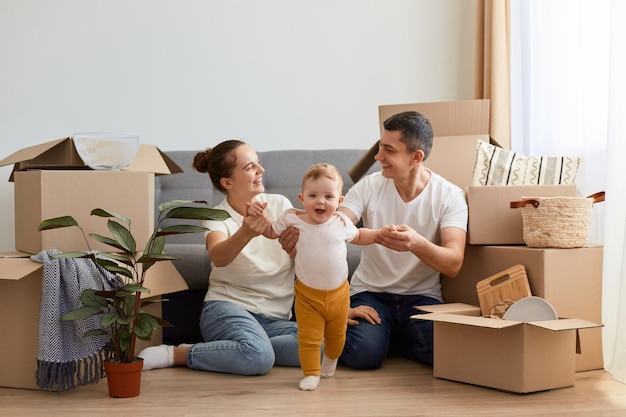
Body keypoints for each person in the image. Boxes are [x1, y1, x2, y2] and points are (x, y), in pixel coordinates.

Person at [280, 111, 468, 369]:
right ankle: (385, 337)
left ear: (416, 157)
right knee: (362, 355)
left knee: (450, 355)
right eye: (380, 147)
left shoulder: (450, 196)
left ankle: (390, 337)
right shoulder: (368, 187)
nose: (378, 156)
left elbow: (453, 263)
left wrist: (416, 243)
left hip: (422, 297)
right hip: (371, 294)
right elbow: (333, 225)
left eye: (388, 150)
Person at [139, 139, 300, 375]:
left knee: (326, 344)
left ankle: (244, 348)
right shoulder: (217, 216)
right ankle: (178, 353)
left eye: (258, 163)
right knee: (259, 357)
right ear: (227, 182)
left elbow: (306, 251)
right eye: (249, 167)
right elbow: (218, 256)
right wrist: (245, 232)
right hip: (228, 310)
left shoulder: (280, 204)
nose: (261, 170)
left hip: (276, 320)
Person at [248, 163, 388, 390]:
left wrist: (380, 234)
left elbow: (360, 235)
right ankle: (311, 373)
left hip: (339, 295)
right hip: (307, 296)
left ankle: (330, 361)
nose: (320, 201)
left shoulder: (342, 222)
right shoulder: (292, 218)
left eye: (328, 196)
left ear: (339, 202)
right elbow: (272, 231)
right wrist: (261, 218)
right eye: (313, 195)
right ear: (302, 198)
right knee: (309, 338)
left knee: (337, 337)